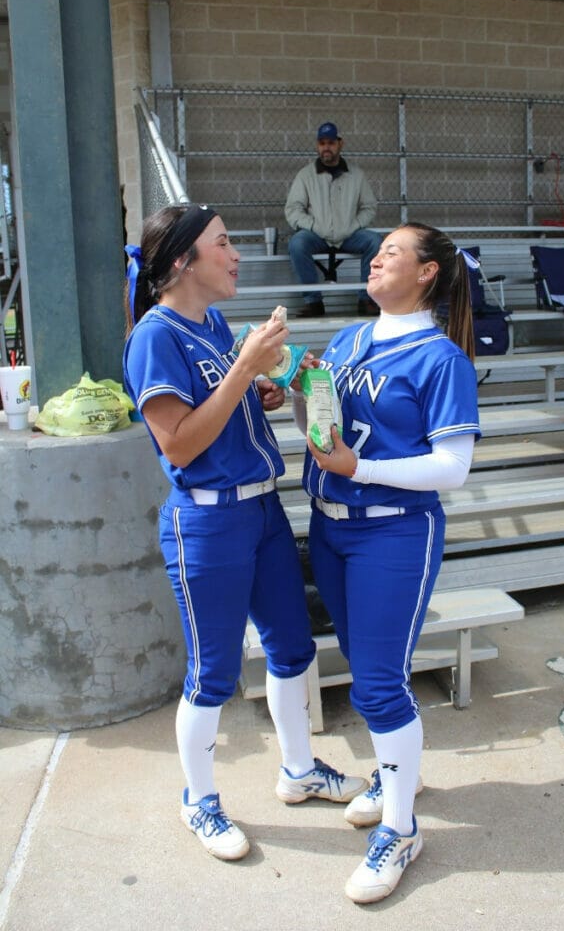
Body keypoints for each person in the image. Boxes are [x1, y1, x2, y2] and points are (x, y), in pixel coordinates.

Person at [122, 203, 367, 862]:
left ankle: (298, 771)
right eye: (223, 244)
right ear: (182, 261)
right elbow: (176, 444)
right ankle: (198, 801)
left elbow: (219, 409)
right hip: (207, 520)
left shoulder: (211, 321)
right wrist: (243, 370)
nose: (235, 254)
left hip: (261, 512)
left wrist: (259, 390)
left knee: (293, 649)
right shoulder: (155, 335)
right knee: (213, 673)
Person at [290, 222, 481, 903]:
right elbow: (327, 422)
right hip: (331, 527)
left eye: (392, 252)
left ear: (427, 272)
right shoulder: (350, 337)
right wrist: (292, 388)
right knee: (376, 671)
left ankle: (401, 829)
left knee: (374, 685)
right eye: (377, 252)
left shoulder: (442, 359)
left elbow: (452, 468)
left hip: (393, 533)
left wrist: (359, 466)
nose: (376, 259)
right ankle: (395, 774)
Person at [285, 121, 383, 318]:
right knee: (297, 243)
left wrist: (354, 225)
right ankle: (314, 303)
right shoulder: (306, 175)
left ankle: (366, 299)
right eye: (322, 143)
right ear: (317, 146)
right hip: (317, 235)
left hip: (349, 235)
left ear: (340, 144)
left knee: (375, 241)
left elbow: (369, 207)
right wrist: (313, 226)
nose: (326, 147)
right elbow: (293, 209)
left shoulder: (356, 175)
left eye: (330, 142)